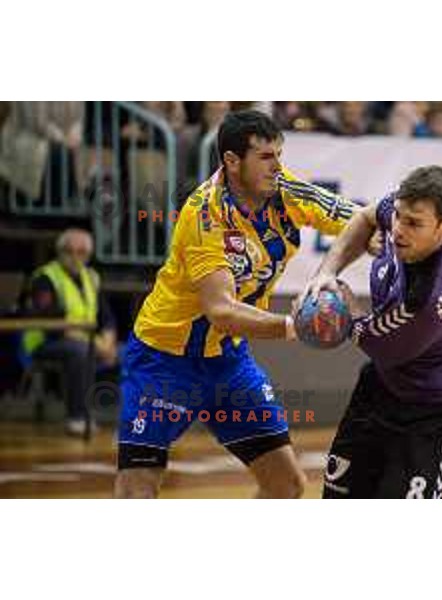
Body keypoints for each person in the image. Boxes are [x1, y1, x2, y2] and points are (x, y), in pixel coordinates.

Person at [114, 110, 360, 499]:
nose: (278, 166)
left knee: (286, 485)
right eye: (266, 157)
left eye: (279, 154)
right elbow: (222, 310)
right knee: (138, 488)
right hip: (164, 360)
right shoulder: (204, 215)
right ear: (231, 161)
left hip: (227, 363)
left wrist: (385, 239)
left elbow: (359, 221)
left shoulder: (286, 190)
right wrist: (291, 326)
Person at [300, 165, 442, 499]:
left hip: (432, 409)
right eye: (398, 216)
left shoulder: (432, 297)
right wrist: (325, 273)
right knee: (339, 497)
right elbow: (366, 217)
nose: (398, 230)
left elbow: (378, 344)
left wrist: (344, 308)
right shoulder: (405, 212)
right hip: (381, 386)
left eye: (413, 224)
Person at [22, 228, 118, 436]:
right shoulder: (45, 278)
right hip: (46, 343)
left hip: (88, 341)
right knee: (79, 352)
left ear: (88, 255)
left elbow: (107, 318)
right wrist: (98, 345)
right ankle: (77, 417)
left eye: (81, 252)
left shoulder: (91, 277)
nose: (75, 257)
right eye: (69, 251)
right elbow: (52, 323)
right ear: (60, 252)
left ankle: (128, 419)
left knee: (135, 351)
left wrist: (108, 344)